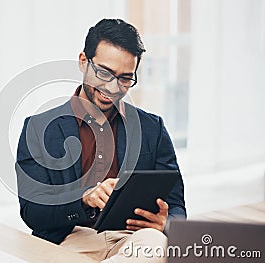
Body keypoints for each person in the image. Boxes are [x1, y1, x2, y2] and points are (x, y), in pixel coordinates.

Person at [15, 18, 186, 262]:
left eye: (125, 78)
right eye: (104, 73)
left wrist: (166, 223)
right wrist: (84, 199)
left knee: (156, 243)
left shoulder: (152, 128)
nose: (113, 87)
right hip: (69, 240)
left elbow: (177, 206)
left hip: (133, 238)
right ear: (83, 62)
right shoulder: (38, 128)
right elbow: (33, 212)